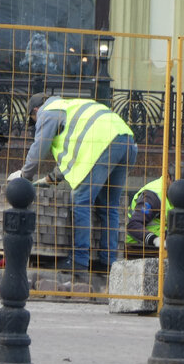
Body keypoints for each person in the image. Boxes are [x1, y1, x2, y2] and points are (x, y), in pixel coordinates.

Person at [14, 93, 137, 277]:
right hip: (126, 140)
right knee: (108, 205)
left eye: (33, 120)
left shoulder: (48, 112)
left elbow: (40, 147)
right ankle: (108, 262)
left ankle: (79, 261)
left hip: (103, 144)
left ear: (36, 110)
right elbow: (74, 154)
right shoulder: (70, 108)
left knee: (81, 199)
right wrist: (51, 178)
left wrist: (24, 176)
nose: (36, 124)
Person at [123, 163, 184, 257]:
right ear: (167, 177)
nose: (181, 190)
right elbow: (133, 225)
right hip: (139, 245)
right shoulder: (153, 196)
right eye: (177, 184)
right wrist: (156, 240)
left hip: (166, 242)